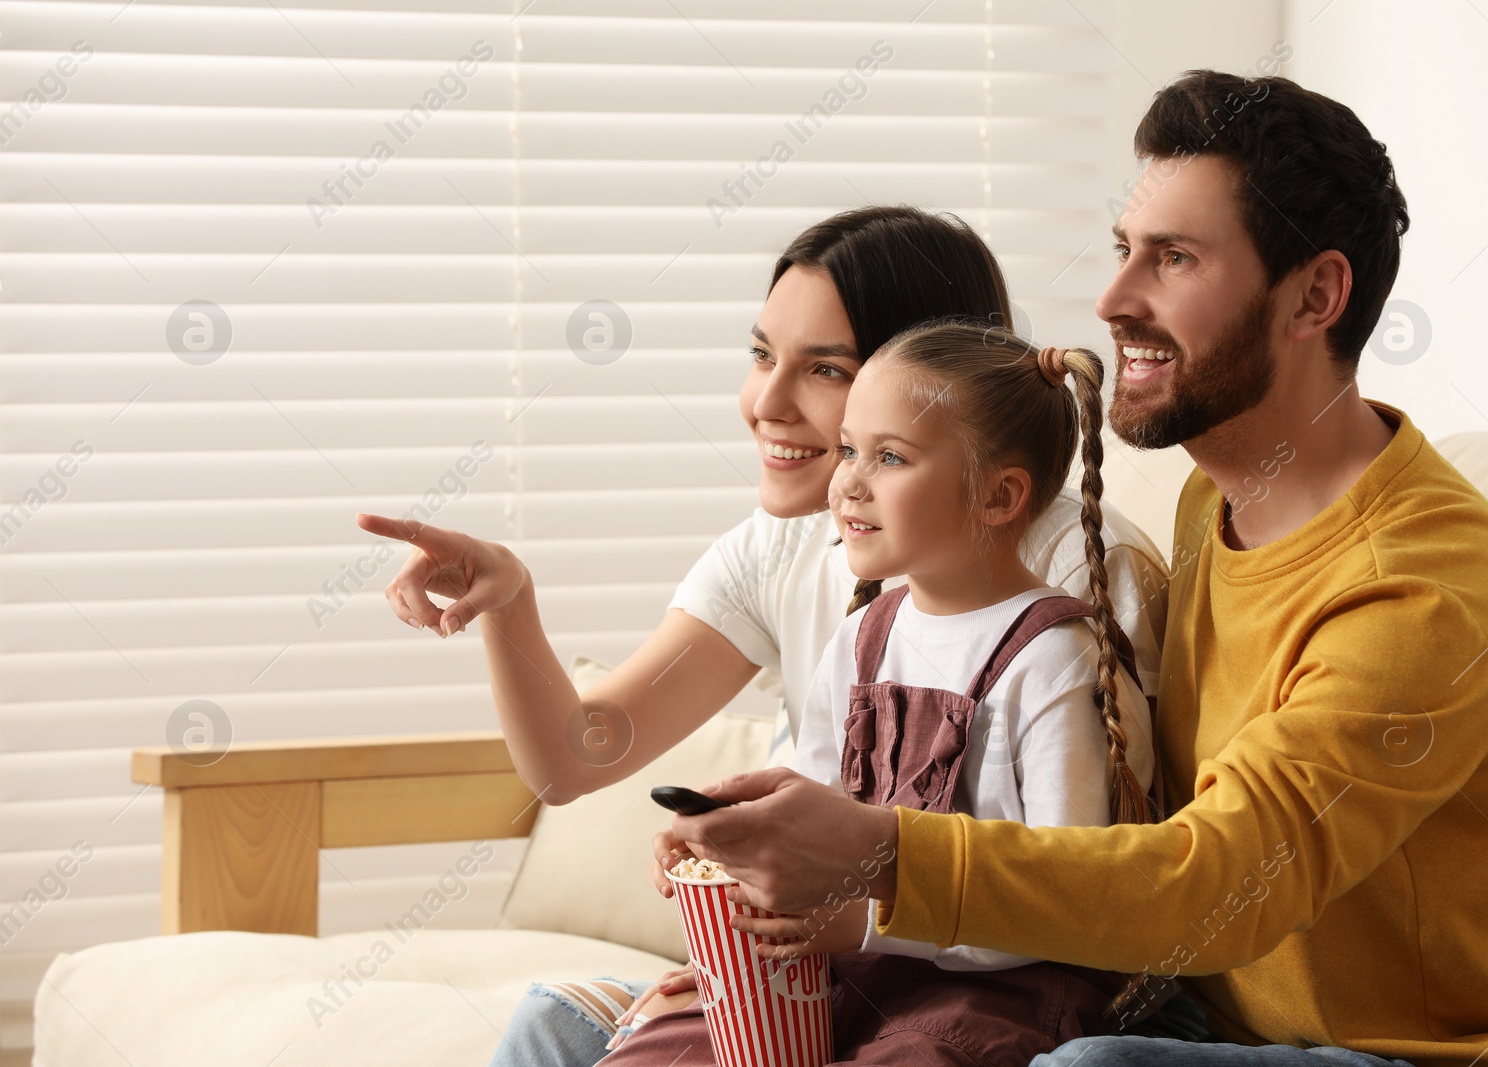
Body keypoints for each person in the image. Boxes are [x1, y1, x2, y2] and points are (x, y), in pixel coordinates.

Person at [657, 71, 1488, 1066]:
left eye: (1174, 259)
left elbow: (1216, 881)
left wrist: (876, 851)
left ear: (1315, 295)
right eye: (1122, 251)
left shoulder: (1420, 596)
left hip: (1410, 1053)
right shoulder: (1214, 502)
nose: (1112, 299)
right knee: (579, 1023)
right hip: (1191, 1014)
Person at [354, 205, 1172, 1065]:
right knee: (565, 1024)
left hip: (980, 985)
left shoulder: (1071, 580)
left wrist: (843, 919)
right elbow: (577, 755)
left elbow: (1081, 882)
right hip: (842, 960)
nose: (765, 404)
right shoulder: (796, 552)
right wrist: (509, 604)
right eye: (760, 355)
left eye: (823, 369)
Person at [605, 323, 1157, 1066]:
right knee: (660, 1046)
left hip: (998, 996)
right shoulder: (863, 635)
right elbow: (811, 813)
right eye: (848, 449)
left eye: (890, 456)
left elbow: (1066, 901)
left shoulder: (1055, 661)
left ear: (999, 495)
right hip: (851, 972)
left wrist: (861, 921)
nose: (848, 482)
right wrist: (727, 844)